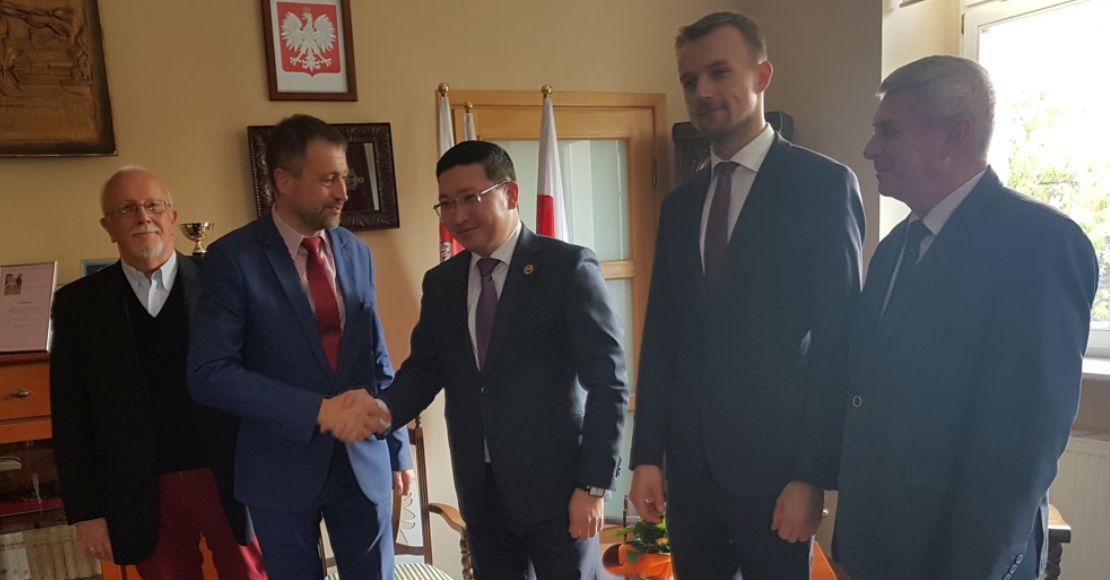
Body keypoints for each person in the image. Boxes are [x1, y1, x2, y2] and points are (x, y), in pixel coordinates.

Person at [834, 55, 1099, 580]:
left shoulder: (1041, 245)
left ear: (955, 133)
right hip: (878, 544)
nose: (870, 149)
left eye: (888, 131)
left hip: (960, 557)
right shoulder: (894, 246)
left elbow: (1025, 442)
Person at [627, 11, 865, 579]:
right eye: (690, 80)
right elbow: (662, 336)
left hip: (777, 476)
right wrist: (646, 456)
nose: (702, 92)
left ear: (762, 76)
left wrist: (811, 476)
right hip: (690, 475)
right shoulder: (680, 205)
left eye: (719, 72)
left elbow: (839, 343)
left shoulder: (823, 187)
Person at [370, 140, 629, 579]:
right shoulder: (442, 283)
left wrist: (593, 485)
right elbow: (426, 368)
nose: (458, 215)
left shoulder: (566, 268)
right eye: (446, 203)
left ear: (510, 194)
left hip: (559, 492)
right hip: (482, 493)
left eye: (470, 197)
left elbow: (609, 382)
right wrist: (382, 409)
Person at [188, 114, 413, 580]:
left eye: (345, 178)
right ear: (283, 181)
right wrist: (316, 410)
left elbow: (375, 356)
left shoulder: (356, 252)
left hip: (364, 461)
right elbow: (209, 372)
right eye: (329, 179)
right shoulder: (233, 260)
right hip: (279, 468)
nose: (344, 192)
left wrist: (396, 446)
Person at [50, 166, 266, 578]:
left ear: (172, 217)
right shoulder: (79, 305)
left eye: (153, 206)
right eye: (126, 209)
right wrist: (87, 512)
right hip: (139, 490)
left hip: (230, 477)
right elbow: (70, 417)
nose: (143, 217)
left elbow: (262, 382)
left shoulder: (225, 284)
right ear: (108, 226)